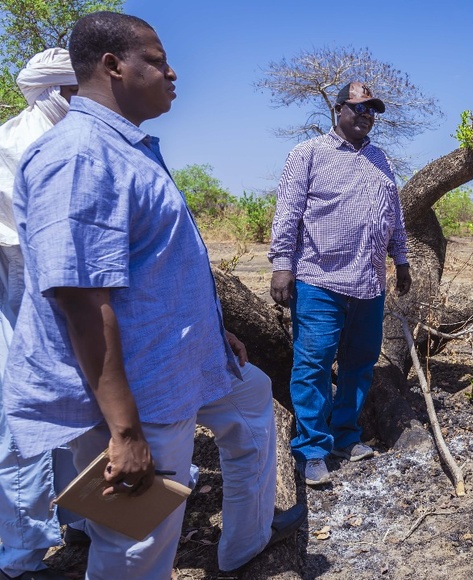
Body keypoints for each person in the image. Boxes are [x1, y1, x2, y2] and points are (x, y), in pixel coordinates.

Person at [5, 12, 302, 577]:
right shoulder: (79, 155)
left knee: (252, 399)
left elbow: (152, 269)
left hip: (180, 359)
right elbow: (81, 300)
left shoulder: (127, 147)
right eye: (158, 61)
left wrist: (212, 331)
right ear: (112, 66)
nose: (173, 73)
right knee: (136, 539)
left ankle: (246, 541)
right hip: (138, 389)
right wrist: (124, 432)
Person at [269, 81, 412, 486]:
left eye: (372, 110)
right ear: (339, 110)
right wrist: (282, 265)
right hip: (320, 279)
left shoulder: (380, 159)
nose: (366, 116)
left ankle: (345, 437)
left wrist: (401, 259)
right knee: (313, 364)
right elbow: (288, 212)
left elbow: (393, 214)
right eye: (359, 108)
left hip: (369, 282)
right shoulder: (308, 153)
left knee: (359, 363)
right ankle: (311, 448)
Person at [0, 47, 80, 580]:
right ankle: (21, 558)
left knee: (72, 408)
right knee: (23, 421)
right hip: (24, 292)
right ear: (56, 92)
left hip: (49, 293)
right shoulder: (24, 144)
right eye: (78, 90)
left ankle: (82, 518)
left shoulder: (52, 134)